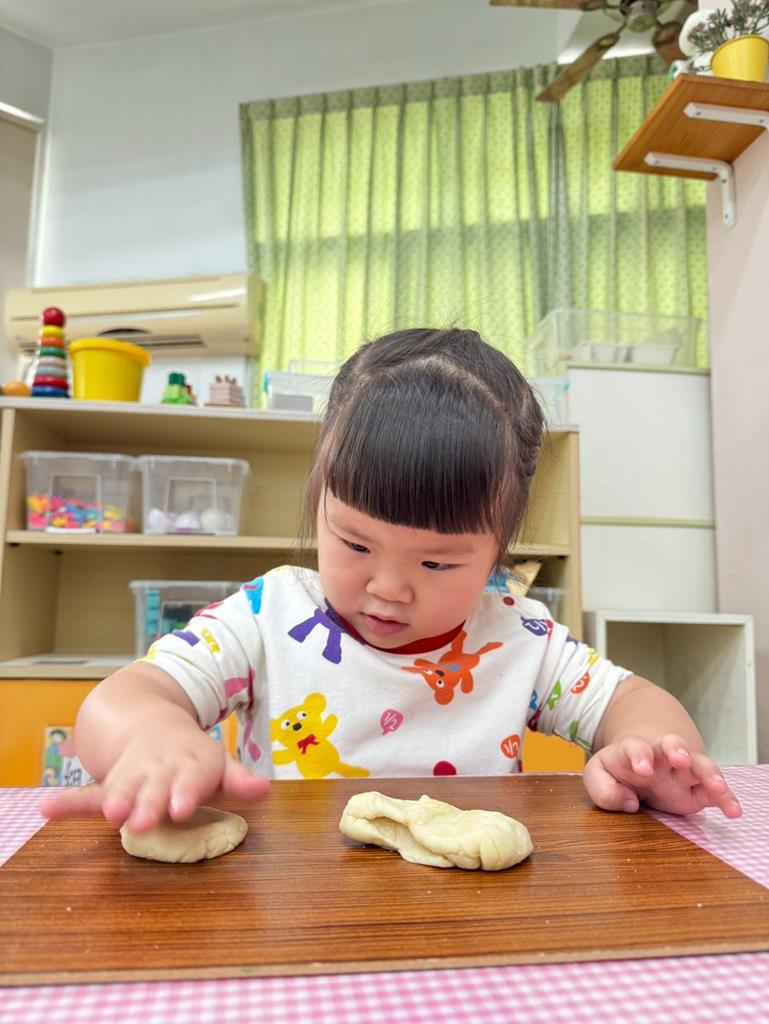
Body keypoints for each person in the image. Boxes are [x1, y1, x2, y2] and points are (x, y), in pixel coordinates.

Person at [40, 327, 742, 834]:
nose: (389, 588)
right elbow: (121, 700)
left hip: (464, 915)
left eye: (437, 563)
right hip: (292, 910)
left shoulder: (518, 637)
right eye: (354, 543)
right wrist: (154, 736)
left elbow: (634, 701)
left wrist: (647, 752)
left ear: (500, 546)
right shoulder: (265, 616)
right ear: (319, 498)